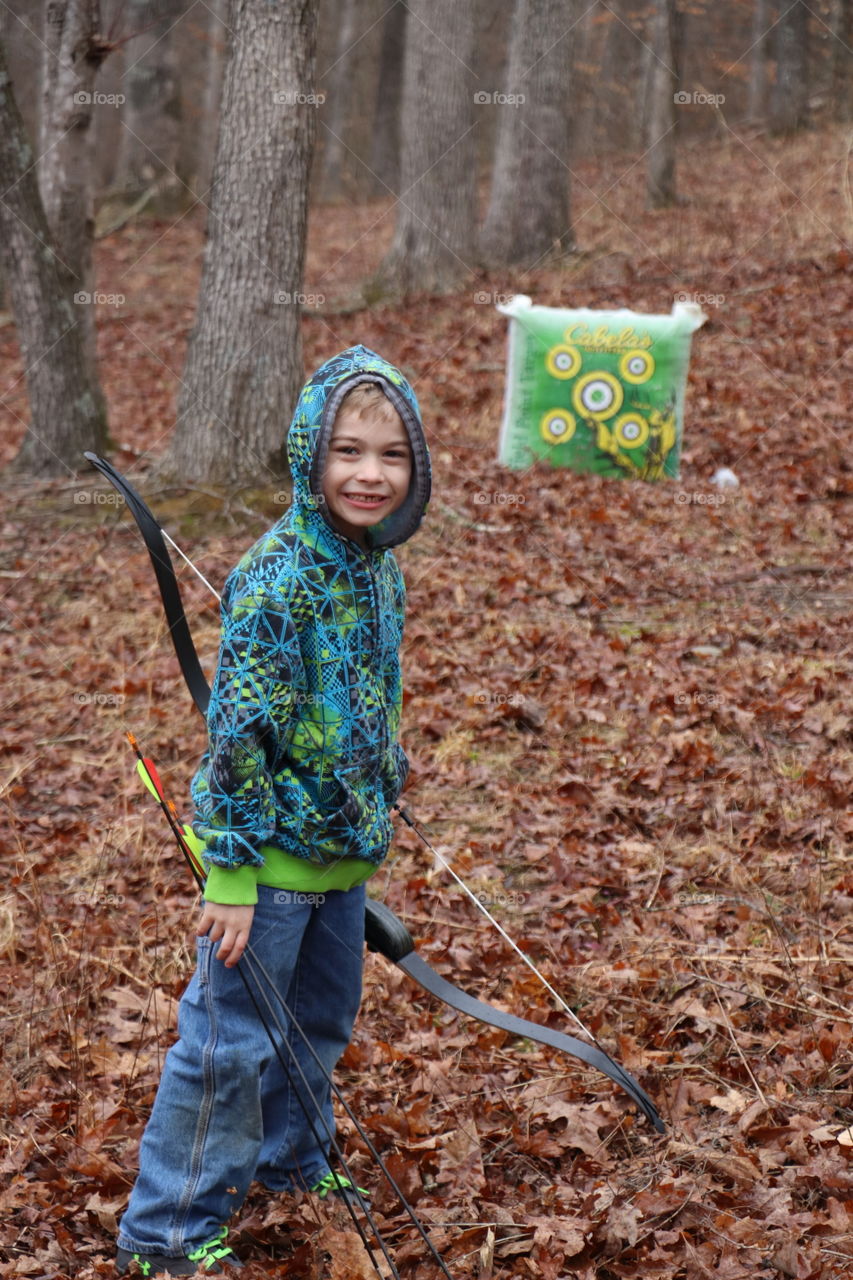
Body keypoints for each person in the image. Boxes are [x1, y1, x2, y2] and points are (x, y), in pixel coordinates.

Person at [116, 346, 431, 1276]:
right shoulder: (278, 575)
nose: (369, 475)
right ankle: (165, 1233)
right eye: (346, 451)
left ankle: (292, 1164)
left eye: (391, 455)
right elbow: (240, 735)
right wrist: (232, 871)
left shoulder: (376, 568)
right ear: (308, 455)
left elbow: (369, 698)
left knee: (317, 1028)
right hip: (269, 875)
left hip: (339, 865)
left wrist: (384, 775)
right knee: (227, 1050)